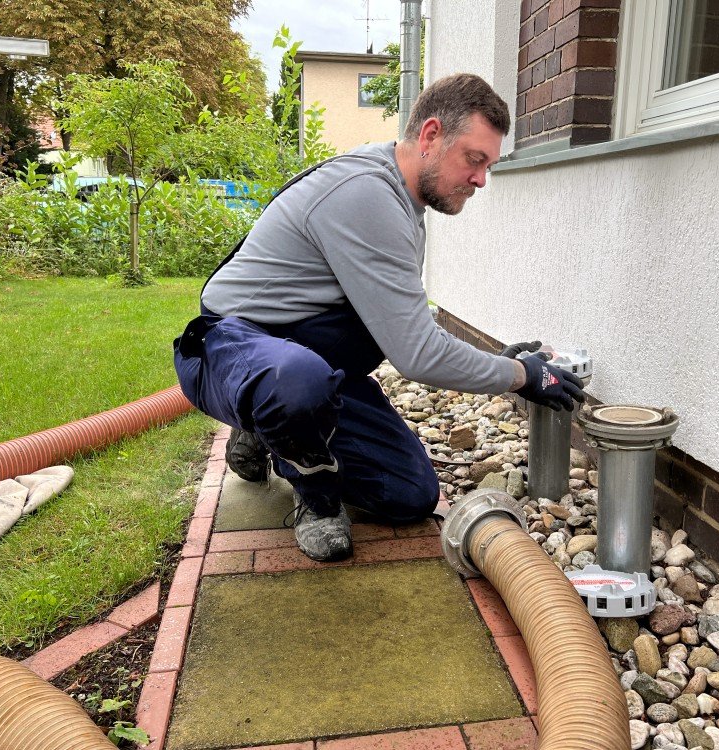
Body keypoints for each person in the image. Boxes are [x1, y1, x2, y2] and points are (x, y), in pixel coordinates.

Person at [174, 73, 584, 562]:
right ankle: (316, 499)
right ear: (431, 136)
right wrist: (522, 376)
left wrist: (492, 358)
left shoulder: (405, 200)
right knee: (295, 384)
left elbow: (406, 325)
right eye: (475, 160)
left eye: (489, 166)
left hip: (300, 349)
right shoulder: (366, 194)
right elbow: (418, 354)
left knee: (409, 493)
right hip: (230, 348)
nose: (480, 180)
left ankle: (271, 429)